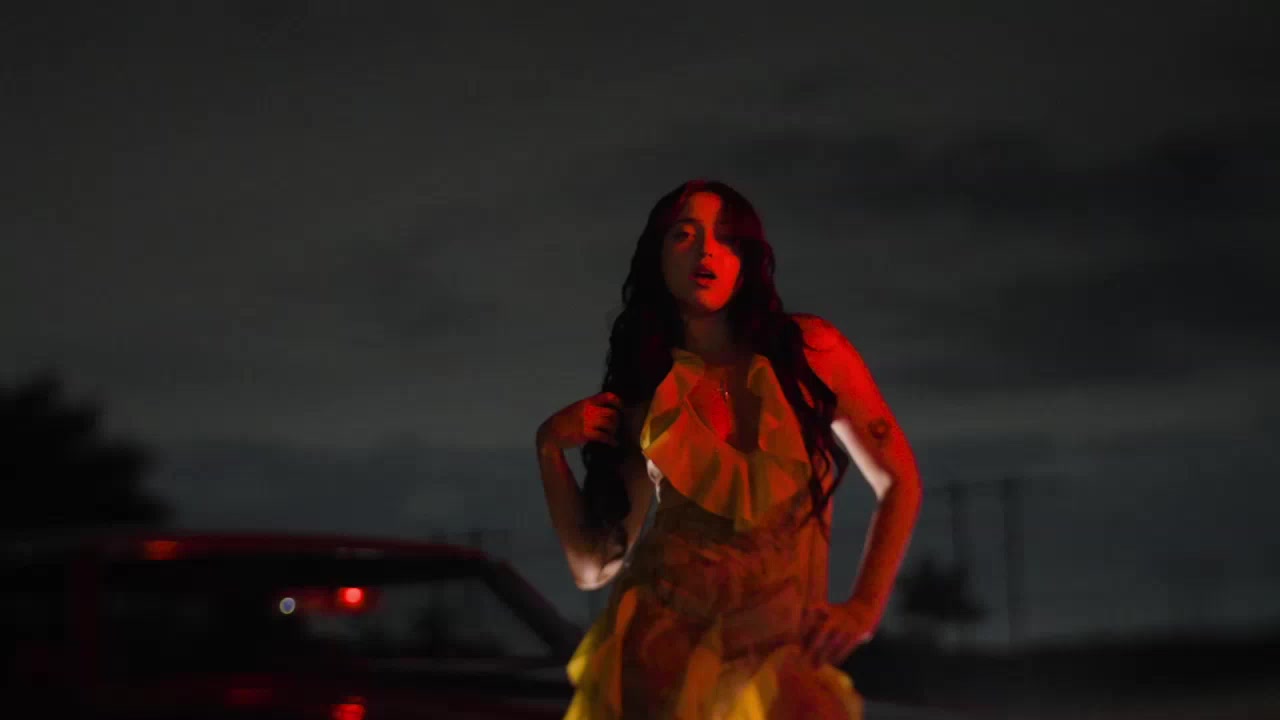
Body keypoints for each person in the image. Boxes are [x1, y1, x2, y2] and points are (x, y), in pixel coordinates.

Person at [536, 180, 922, 718]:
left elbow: (899, 478)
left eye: (726, 238)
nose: (706, 252)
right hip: (660, 661)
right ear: (657, 256)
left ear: (748, 260)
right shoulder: (648, 391)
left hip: (781, 661)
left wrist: (863, 608)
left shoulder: (811, 352)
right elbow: (594, 567)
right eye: (684, 235)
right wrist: (550, 448)